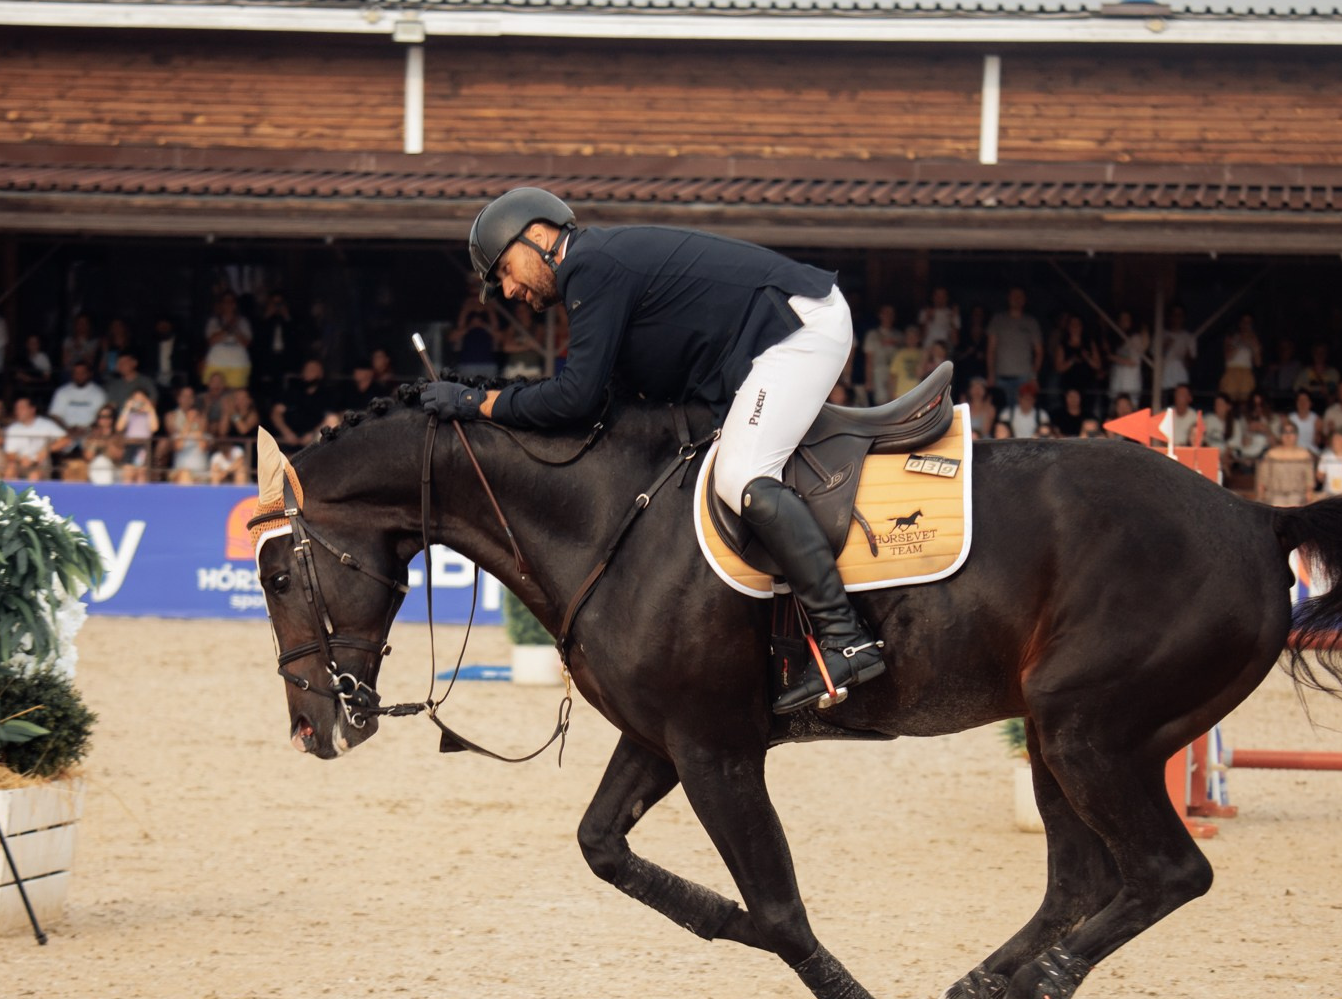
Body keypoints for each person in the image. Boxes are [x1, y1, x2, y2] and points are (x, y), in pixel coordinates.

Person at [424, 186, 884, 713]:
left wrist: (474, 402)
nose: (507, 290)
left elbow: (575, 397)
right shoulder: (595, 270)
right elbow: (608, 404)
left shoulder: (591, 267)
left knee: (739, 476)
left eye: (505, 269)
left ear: (540, 236)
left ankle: (846, 637)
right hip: (765, 343)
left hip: (800, 327)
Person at [988, 288, 1044, 408]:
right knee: (1001, 411)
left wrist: (1034, 376)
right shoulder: (998, 319)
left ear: (1024, 300)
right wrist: (991, 374)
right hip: (1001, 376)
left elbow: (1039, 352)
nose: (1016, 299)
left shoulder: (1031, 322)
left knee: (1023, 410)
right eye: (1014, 296)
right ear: (1008, 298)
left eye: (1020, 296)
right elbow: (991, 349)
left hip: (1024, 377)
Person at [2, 397, 69, 480]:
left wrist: (47, 450)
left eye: (22, 408)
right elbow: (9, 454)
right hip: (20, 463)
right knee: (9, 471)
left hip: (40, 463)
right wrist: (19, 459)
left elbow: (66, 440)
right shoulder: (12, 429)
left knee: (34, 476)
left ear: (32, 410)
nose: (18, 411)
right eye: (17, 408)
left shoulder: (46, 424)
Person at [1256, 422, 1315, 507]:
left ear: (1296, 435)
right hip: (1275, 494)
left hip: (1297, 495)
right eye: (1285, 432)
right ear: (1281, 435)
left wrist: (1309, 492)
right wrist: (1261, 493)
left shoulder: (1304, 454)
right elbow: (1263, 476)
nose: (1288, 436)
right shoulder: (1272, 454)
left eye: (1291, 432)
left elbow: (1309, 478)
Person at [203, 292, 253, 391]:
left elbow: (246, 343)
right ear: (221, 304)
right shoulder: (214, 321)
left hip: (238, 364)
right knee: (215, 395)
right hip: (216, 362)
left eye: (231, 301)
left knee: (237, 397)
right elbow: (211, 341)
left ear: (235, 304)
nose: (228, 304)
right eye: (225, 302)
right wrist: (228, 326)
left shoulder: (243, 321)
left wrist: (235, 327)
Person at [1050, 315, 1101, 408]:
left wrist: (1087, 358)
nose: (1075, 327)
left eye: (1078, 324)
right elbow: (1058, 368)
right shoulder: (1063, 345)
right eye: (1073, 324)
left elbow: (1097, 365)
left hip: (1088, 386)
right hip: (1069, 386)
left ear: (1082, 327)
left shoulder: (1090, 343)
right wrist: (1072, 361)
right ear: (1068, 327)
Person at [48, 361, 108, 438]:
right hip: (66, 433)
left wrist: (86, 430)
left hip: (90, 434)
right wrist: (67, 429)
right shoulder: (62, 392)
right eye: (76, 373)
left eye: (82, 373)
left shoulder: (99, 393)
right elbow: (54, 415)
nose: (79, 376)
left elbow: (102, 417)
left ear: (89, 374)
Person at [164, 384, 211, 483]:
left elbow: (203, 443)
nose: (187, 399)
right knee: (185, 475)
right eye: (184, 396)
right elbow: (177, 443)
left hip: (201, 472)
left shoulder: (202, 419)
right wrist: (189, 422)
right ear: (178, 399)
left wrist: (196, 424)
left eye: (190, 397)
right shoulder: (171, 415)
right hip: (181, 470)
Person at [1106, 310, 1148, 407]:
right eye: (1121, 319)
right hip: (1117, 386)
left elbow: (1133, 361)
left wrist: (1112, 357)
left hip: (1130, 386)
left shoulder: (1136, 338)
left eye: (1126, 319)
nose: (1123, 322)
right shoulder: (1116, 341)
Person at [1219, 312, 1261, 403]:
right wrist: (1239, 342)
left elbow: (1258, 363)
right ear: (1240, 323)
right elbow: (1227, 357)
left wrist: (1254, 346)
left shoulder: (1254, 339)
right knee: (1228, 402)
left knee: (1245, 403)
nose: (1246, 325)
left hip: (1246, 373)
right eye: (1244, 322)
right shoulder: (1231, 337)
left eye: (1249, 322)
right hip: (1231, 372)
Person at [918, 287, 960, 351]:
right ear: (933, 297)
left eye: (943, 296)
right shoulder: (925, 312)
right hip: (928, 349)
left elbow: (955, 341)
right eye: (937, 296)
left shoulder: (952, 314)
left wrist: (952, 319)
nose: (940, 299)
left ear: (947, 298)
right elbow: (921, 338)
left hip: (944, 351)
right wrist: (927, 319)